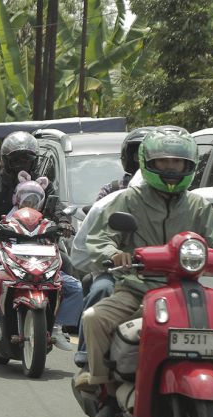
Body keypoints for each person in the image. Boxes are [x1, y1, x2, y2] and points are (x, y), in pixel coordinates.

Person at [77, 128, 213, 417]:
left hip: (187, 290)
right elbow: (100, 239)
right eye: (164, 162)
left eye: (178, 163)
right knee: (94, 319)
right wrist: (113, 254)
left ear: (188, 166)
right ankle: (104, 387)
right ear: (148, 162)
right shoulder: (128, 200)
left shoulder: (197, 205)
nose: (171, 169)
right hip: (135, 288)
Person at [72, 126, 155, 356]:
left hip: (165, 277)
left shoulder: (188, 202)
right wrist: (112, 256)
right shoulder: (112, 195)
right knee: (101, 289)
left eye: (171, 162)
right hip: (119, 275)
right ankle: (87, 356)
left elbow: (209, 236)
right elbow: (94, 239)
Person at [0, 171, 80, 350]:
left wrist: (64, 222)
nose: (29, 203)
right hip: (11, 263)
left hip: (43, 263)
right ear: (16, 198)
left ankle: (58, 327)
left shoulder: (47, 217)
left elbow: (59, 210)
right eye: (26, 199)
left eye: (34, 199)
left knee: (75, 285)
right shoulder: (5, 214)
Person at [0, 131, 72, 293]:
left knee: (66, 263)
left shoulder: (43, 183)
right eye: (16, 160)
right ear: (7, 161)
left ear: (34, 162)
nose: (22, 164)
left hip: (40, 237)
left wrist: (64, 221)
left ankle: (61, 314)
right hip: (2, 237)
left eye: (27, 159)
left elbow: (56, 206)